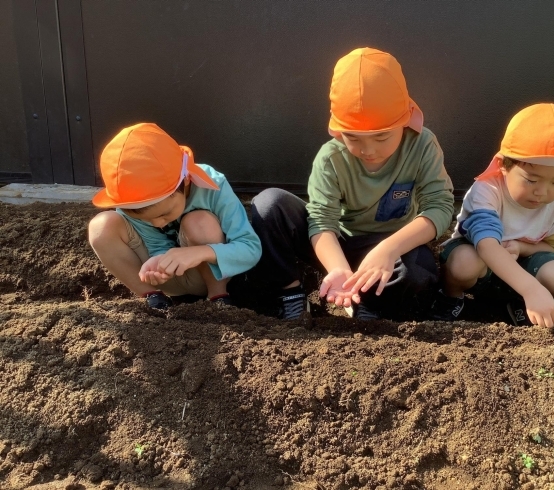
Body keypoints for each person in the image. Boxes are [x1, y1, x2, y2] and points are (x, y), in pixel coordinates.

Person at [251, 47, 455, 320]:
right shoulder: (331, 158)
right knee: (269, 205)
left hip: (390, 246)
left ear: (404, 120)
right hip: (338, 243)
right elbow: (322, 220)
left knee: (418, 269)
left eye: (381, 137)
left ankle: (370, 303)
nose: (368, 150)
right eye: (353, 138)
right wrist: (338, 269)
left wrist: (388, 249)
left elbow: (439, 206)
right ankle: (291, 293)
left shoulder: (422, 144)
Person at [434, 103, 554, 327]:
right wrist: (531, 288)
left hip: (523, 267)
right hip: (480, 264)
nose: (542, 192)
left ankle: (519, 303)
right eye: (532, 180)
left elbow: (553, 247)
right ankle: (450, 298)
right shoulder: (487, 190)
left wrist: (522, 248)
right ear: (504, 165)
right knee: (464, 263)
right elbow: (486, 245)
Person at [88, 123, 261, 310]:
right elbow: (156, 245)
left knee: (199, 221)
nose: (156, 223)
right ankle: (154, 298)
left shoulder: (213, 186)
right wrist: (158, 264)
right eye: (146, 219)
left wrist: (199, 252)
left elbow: (250, 249)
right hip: (166, 277)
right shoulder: (132, 199)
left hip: (212, 272)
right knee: (101, 227)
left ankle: (218, 297)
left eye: (164, 214)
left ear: (186, 180)